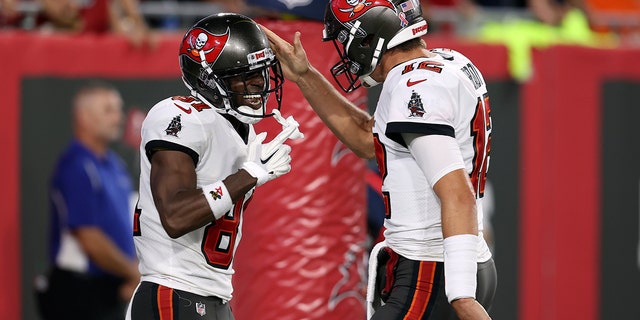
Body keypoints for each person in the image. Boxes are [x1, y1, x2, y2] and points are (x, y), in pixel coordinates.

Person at [261, 0, 497, 318]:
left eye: (347, 38)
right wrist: (304, 75)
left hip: (432, 272)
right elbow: (365, 139)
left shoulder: (414, 88)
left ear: (370, 36)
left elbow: (457, 194)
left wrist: (461, 295)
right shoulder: (446, 63)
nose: (345, 50)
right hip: (455, 264)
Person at [125, 13, 302, 320]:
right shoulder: (180, 116)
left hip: (215, 298)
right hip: (172, 291)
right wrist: (248, 176)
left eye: (261, 73)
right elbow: (175, 216)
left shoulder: (242, 130)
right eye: (244, 76)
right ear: (208, 80)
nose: (258, 84)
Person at [37, 82, 141, 320]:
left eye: (119, 109)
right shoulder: (76, 165)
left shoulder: (116, 166)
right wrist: (133, 273)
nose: (119, 117)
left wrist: (132, 274)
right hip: (79, 292)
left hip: (113, 289)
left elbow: (128, 225)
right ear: (84, 117)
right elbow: (88, 237)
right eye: (108, 110)